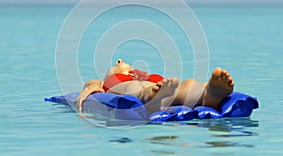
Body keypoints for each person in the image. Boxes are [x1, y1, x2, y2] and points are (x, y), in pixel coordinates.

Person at [77, 59, 234, 113]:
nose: (119, 62)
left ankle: (208, 94)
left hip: (158, 87)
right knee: (136, 89)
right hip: (135, 88)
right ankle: (153, 97)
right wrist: (90, 88)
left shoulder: (146, 75)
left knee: (185, 85)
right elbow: (92, 84)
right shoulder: (109, 81)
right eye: (118, 62)